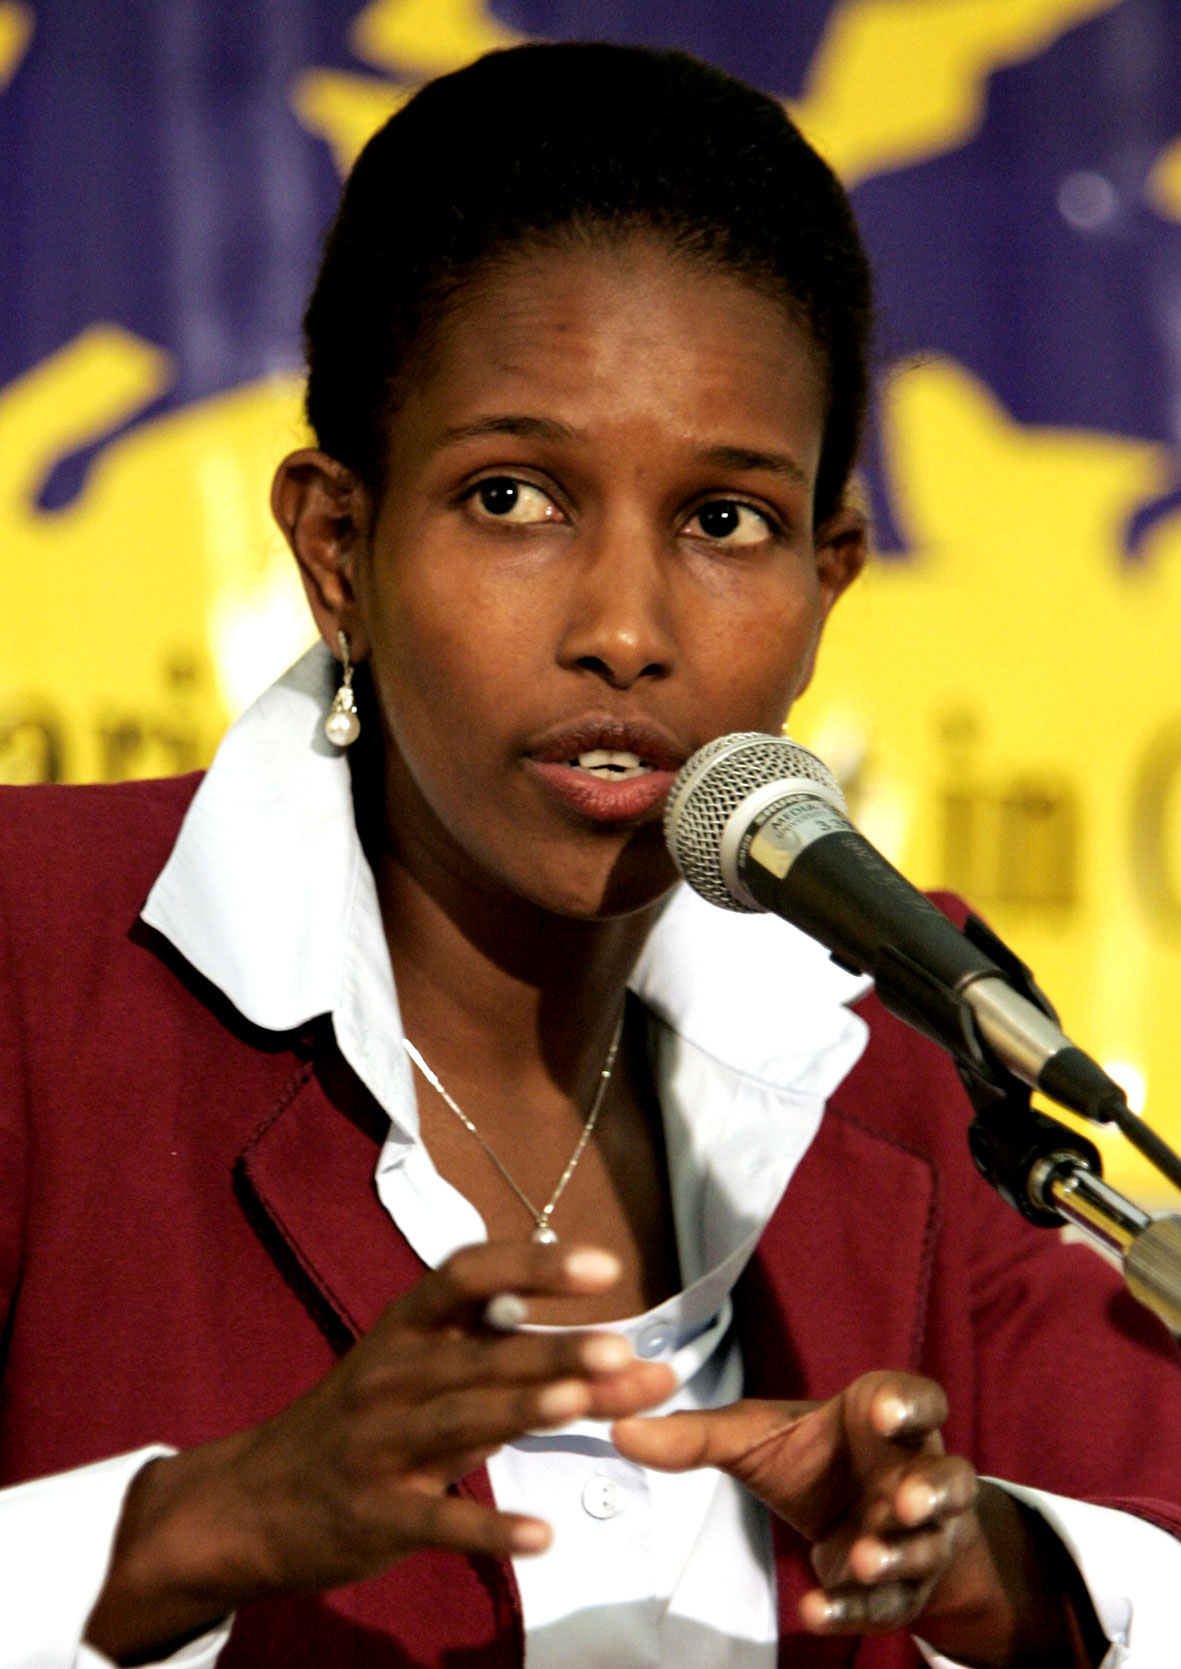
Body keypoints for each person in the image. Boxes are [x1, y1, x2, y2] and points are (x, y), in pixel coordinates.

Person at [2, 39, 1181, 1669]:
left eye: (725, 521)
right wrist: (184, 1535)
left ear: (831, 579)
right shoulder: (35, 961)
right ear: (338, 549)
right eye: (513, 497)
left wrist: (1003, 1568)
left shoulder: (898, 1042)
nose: (626, 629)